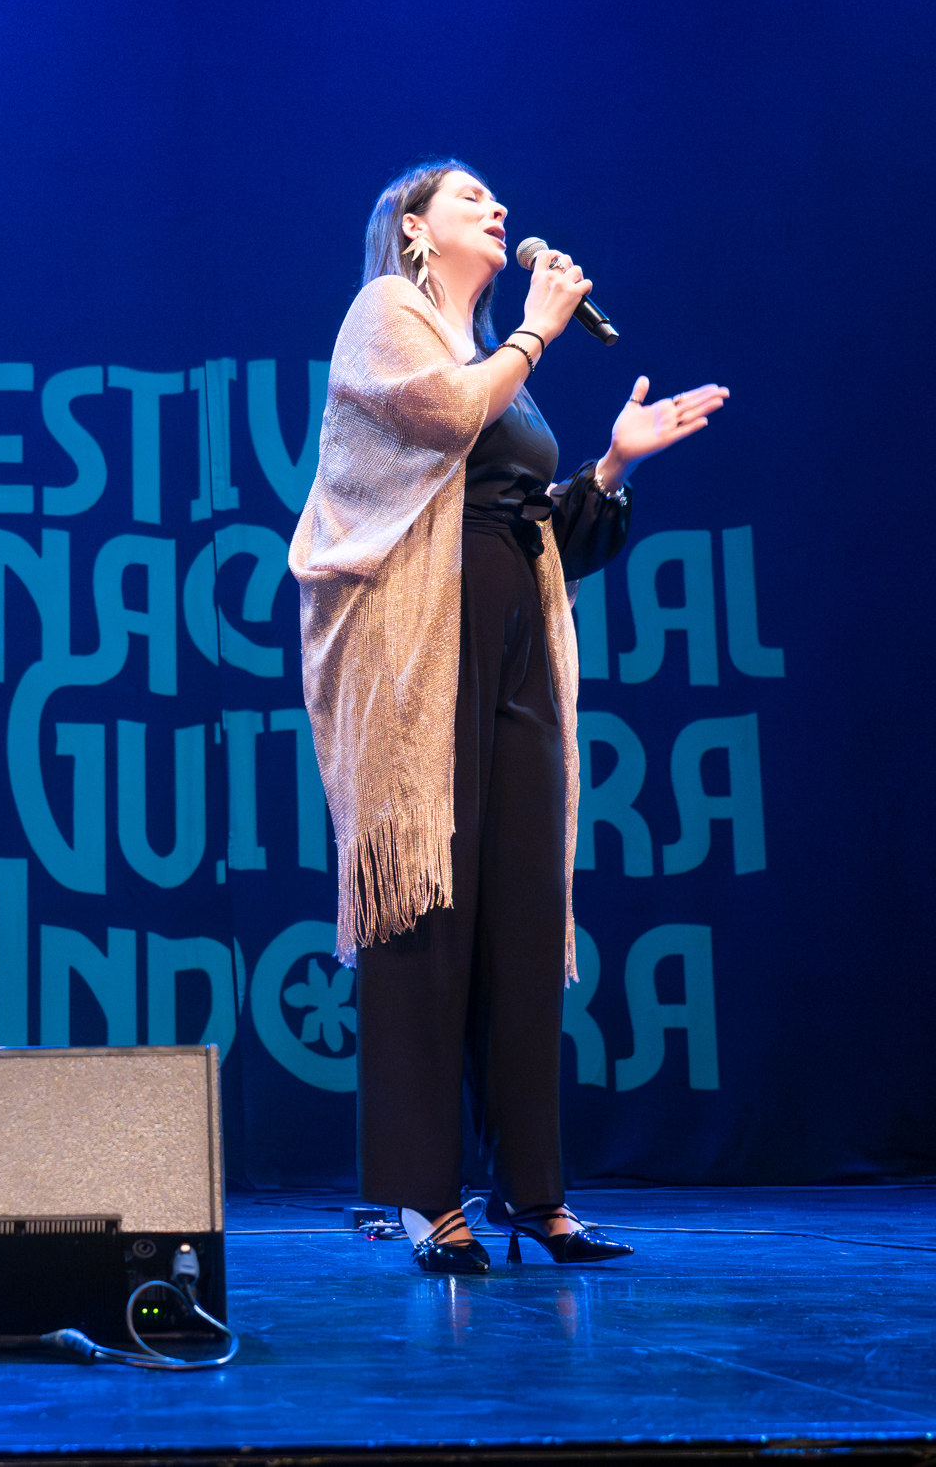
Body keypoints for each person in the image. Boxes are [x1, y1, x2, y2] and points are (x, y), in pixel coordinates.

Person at [290, 162, 729, 1273]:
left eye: (497, 201)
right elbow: (444, 417)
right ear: (414, 227)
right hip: (418, 649)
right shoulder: (389, 315)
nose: (498, 212)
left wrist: (612, 468)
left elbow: (541, 534)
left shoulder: (499, 363)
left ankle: (534, 1195)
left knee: (524, 917)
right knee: (426, 909)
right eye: (470, 200)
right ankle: (422, 1199)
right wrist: (534, 332)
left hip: (519, 643)